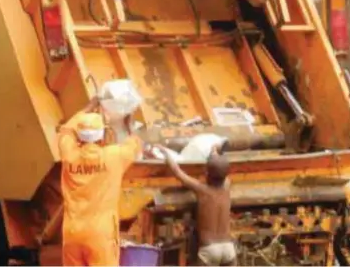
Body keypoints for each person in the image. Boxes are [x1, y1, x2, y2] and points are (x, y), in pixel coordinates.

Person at [58, 96, 143, 266]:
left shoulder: (69, 155)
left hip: (71, 232)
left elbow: (66, 130)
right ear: (102, 133)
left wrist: (90, 105)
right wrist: (128, 121)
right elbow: (135, 142)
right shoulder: (113, 157)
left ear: (79, 136)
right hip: (100, 233)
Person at [156, 143, 236, 266]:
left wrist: (165, 152)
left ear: (207, 175)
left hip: (209, 249)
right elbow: (222, 172)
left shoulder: (202, 190)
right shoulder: (227, 188)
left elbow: (178, 172)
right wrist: (214, 152)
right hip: (228, 248)